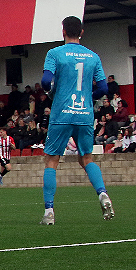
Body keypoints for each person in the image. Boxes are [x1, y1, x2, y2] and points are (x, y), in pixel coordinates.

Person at [39, 16, 114, 225]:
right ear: (82, 32)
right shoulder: (93, 56)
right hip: (84, 114)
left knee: (52, 161)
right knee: (86, 158)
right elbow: (103, 88)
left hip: (62, 113)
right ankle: (102, 194)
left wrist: (51, 91)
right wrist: (89, 97)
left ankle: (49, 212)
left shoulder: (54, 54)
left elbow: (46, 80)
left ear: (63, 31)